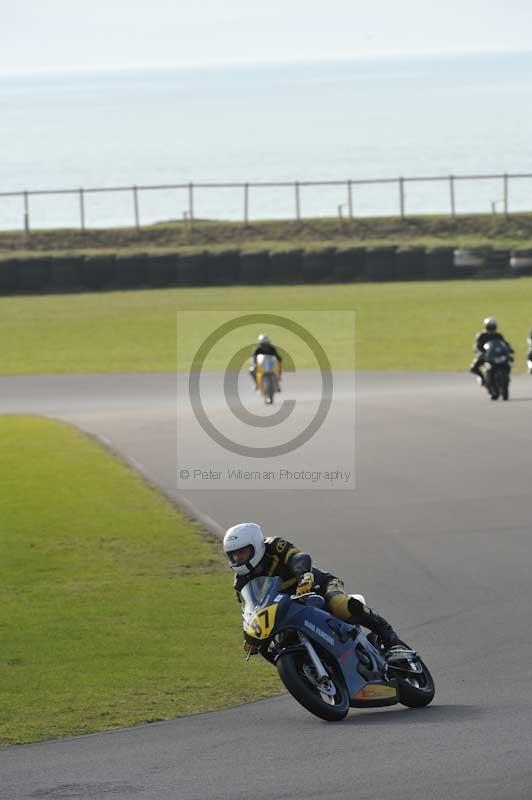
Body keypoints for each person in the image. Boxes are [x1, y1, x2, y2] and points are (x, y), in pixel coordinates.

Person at [223, 522, 404, 655]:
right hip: (288, 609)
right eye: (233, 555)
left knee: (339, 603)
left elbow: (299, 557)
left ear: (255, 546)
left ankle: (389, 636)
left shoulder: (274, 546)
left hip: (318, 585)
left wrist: (305, 577)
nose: (238, 559)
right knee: (274, 645)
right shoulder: (240, 583)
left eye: (242, 552)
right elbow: (249, 610)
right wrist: (250, 635)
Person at [470, 317, 513, 385]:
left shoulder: (498, 335)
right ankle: (482, 377)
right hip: (486, 355)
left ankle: (506, 377)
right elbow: (477, 346)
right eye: (490, 327)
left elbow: (504, 343)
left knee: (508, 362)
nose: (491, 329)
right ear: (485, 327)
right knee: (473, 367)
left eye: (493, 327)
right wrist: (480, 352)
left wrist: (509, 349)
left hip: (496, 355)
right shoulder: (481, 335)